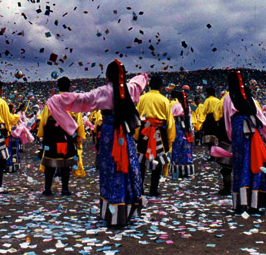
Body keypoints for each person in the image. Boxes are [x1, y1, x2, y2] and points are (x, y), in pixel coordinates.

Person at [47, 60, 147, 226]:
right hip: (126, 133)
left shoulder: (103, 91)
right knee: (129, 167)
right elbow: (140, 80)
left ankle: (114, 212)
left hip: (109, 133)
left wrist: (57, 99)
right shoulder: (129, 89)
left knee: (110, 169)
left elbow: (82, 100)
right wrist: (138, 77)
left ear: (107, 75)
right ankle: (129, 210)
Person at [223, 70, 266, 213]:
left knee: (240, 166)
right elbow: (261, 119)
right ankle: (255, 203)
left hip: (238, 136)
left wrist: (233, 138)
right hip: (254, 135)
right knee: (256, 164)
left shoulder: (227, 99)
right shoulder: (251, 100)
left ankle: (240, 204)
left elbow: (227, 123)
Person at [37, 76, 86, 196]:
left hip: (52, 135)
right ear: (69, 87)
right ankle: (65, 189)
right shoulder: (74, 100)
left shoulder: (51, 100)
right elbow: (78, 121)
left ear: (58, 86)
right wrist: (79, 136)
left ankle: (48, 189)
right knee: (66, 163)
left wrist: (41, 135)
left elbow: (43, 120)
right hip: (68, 135)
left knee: (50, 162)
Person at [135, 75, 175, 197]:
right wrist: (170, 139)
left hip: (145, 130)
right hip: (159, 132)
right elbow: (170, 122)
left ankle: (140, 189)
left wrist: (136, 135)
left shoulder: (142, 98)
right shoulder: (164, 100)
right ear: (161, 87)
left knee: (141, 160)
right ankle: (153, 189)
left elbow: (137, 118)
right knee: (158, 161)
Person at [169, 90, 195, 178]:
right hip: (186, 130)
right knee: (186, 150)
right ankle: (186, 172)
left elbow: (170, 117)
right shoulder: (188, 107)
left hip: (177, 128)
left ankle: (176, 173)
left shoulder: (175, 106)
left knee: (177, 149)